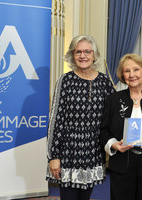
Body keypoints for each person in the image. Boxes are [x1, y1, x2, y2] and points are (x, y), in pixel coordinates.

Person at [46, 35, 115, 200]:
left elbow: (115, 113)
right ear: (72, 55)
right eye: (78, 52)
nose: (83, 56)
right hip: (68, 152)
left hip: (93, 151)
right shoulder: (66, 80)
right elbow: (56, 119)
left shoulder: (105, 82)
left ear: (94, 55)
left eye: (87, 51)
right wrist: (53, 156)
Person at [100, 53, 142, 200]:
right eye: (127, 71)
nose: (132, 75)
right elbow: (104, 130)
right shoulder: (113, 100)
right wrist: (113, 145)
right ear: (122, 75)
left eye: (136, 69)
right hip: (122, 162)